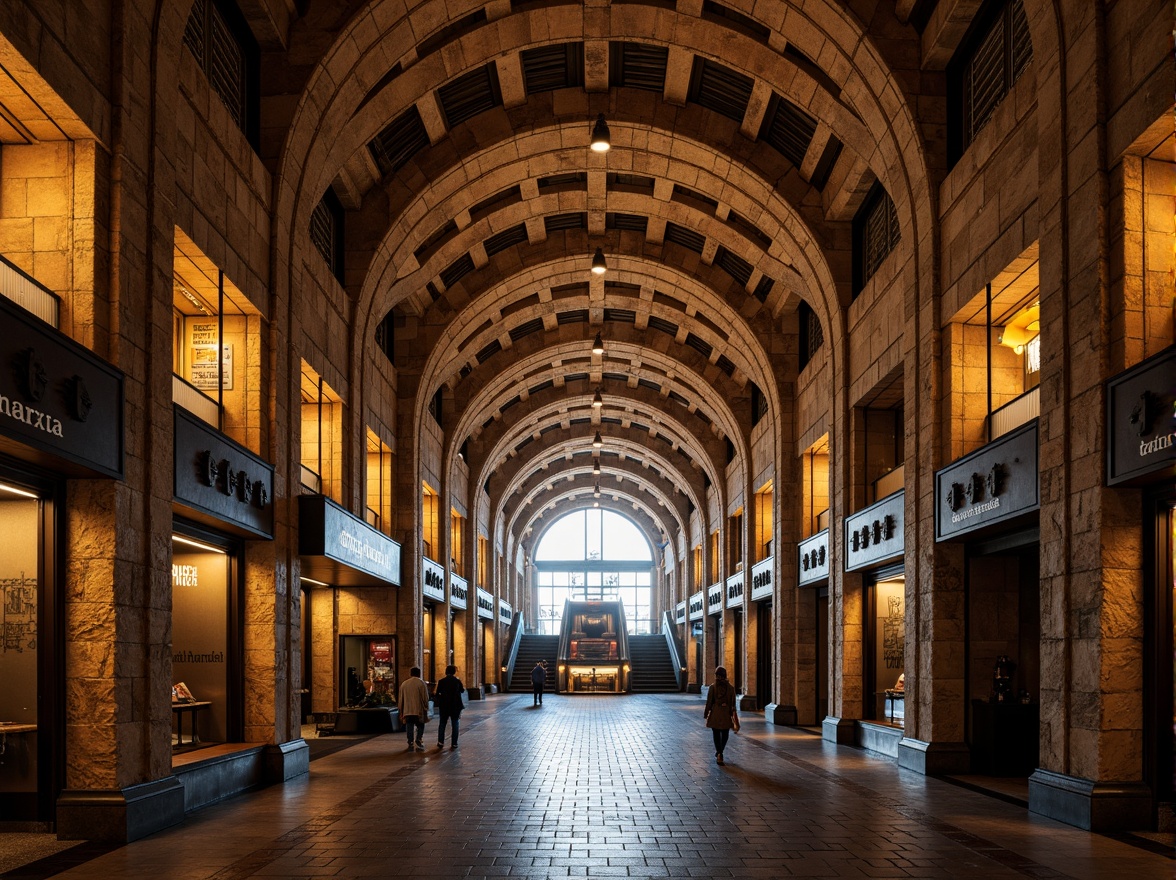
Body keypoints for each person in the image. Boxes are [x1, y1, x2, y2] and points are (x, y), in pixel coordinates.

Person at [703, 666, 738, 765]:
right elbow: (733, 703)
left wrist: (706, 713)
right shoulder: (731, 688)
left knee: (716, 733)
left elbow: (709, 702)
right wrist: (732, 713)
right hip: (726, 713)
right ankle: (720, 751)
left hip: (715, 713)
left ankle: (719, 753)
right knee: (725, 733)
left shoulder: (712, 687)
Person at [397, 666, 430, 751]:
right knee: (420, 725)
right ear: (419, 673)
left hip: (407, 709)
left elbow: (401, 698)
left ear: (410, 673)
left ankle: (410, 742)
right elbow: (425, 697)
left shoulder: (404, 684)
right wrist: (426, 707)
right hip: (418, 709)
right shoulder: (421, 683)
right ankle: (418, 739)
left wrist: (401, 709)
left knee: (409, 725)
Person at [433, 664, 465, 748]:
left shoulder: (441, 681)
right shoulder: (457, 681)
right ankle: (454, 743)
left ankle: (440, 742)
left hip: (444, 705)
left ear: (446, 671)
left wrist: (441, 698)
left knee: (442, 723)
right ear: (454, 672)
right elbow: (462, 690)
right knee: (455, 723)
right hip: (455, 705)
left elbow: (437, 694)